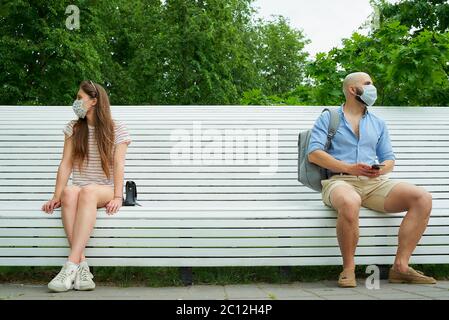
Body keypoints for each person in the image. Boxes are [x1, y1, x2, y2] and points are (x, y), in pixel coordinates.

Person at [307, 72, 436, 288]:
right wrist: (348, 167)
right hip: (339, 181)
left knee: (422, 198)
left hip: (374, 183)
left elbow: (389, 159)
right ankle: (348, 269)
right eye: (367, 84)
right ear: (352, 89)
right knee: (349, 202)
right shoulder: (329, 117)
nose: (372, 88)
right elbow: (314, 153)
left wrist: (380, 169)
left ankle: (401, 268)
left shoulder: (378, 123)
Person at [41, 80, 132, 292]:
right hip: (80, 190)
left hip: (104, 190)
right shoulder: (73, 128)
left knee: (88, 191)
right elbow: (65, 163)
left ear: (94, 101)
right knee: (70, 192)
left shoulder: (116, 128)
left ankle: (69, 266)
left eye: (80, 98)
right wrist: (56, 195)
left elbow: (119, 163)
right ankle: (82, 267)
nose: (76, 102)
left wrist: (118, 196)